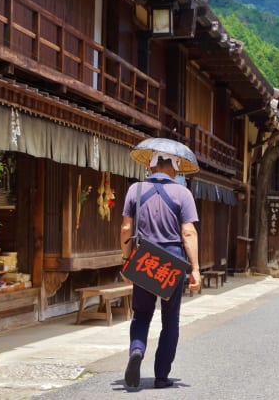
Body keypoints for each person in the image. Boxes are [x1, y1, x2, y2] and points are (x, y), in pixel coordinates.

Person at [120, 153, 201, 390]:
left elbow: (126, 227)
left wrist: (126, 259)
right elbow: (188, 232)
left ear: (150, 164)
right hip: (172, 260)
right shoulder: (183, 194)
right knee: (170, 320)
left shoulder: (135, 189)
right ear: (175, 169)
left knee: (142, 314)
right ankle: (161, 376)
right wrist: (195, 268)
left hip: (144, 257)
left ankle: (137, 349)